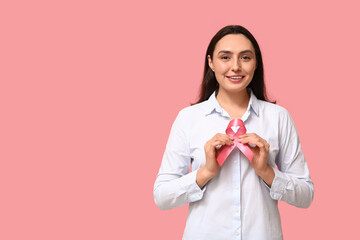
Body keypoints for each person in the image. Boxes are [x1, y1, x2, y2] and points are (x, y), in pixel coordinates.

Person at [153, 25, 314, 240]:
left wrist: (267, 172)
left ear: (256, 62)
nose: (235, 67)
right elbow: (162, 197)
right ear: (211, 62)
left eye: (245, 58)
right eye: (225, 57)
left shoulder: (278, 117)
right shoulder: (188, 118)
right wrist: (206, 172)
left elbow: (306, 196)